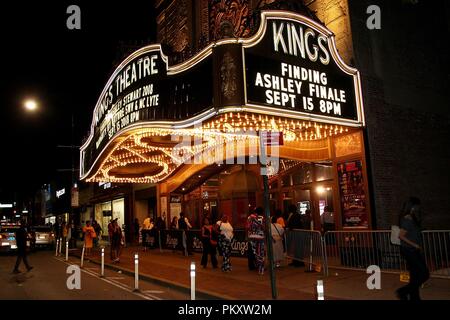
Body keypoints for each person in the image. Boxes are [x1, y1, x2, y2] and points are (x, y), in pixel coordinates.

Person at [395, 197, 429, 300]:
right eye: (417, 205)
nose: (419, 208)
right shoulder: (406, 219)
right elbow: (401, 236)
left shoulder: (411, 218)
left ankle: (415, 297)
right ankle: (402, 291)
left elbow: (412, 231)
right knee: (424, 274)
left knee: (415, 275)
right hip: (409, 250)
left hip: (413, 250)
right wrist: (415, 245)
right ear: (413, 207)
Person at [247, 207, 266, 275]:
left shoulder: (249, 218)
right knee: (260, 253)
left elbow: (248, 227)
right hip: (260, 237)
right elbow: (264, 228)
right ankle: (260, 269)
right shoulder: (262, 218)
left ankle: (254, 266)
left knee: (253, 252)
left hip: (252, 237)